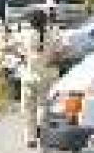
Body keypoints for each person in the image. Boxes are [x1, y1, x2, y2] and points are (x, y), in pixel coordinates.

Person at [17, 10, 59, 148]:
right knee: (45, 106)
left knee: (29, 108)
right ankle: (43, 134)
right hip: (49, 75)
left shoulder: (25, 35)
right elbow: (63, 50)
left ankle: (30, 138)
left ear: (31, 22)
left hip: (30, 75)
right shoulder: (54, 35)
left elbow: (19, 51)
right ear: (46, 22)